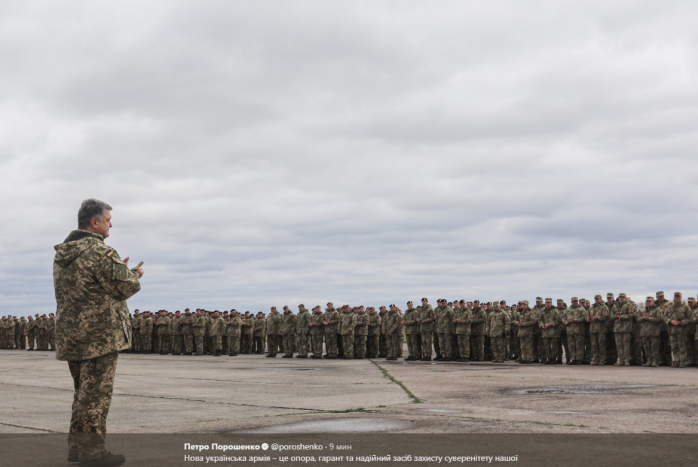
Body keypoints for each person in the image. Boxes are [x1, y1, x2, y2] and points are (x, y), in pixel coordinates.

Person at [53, 198, 143, 466]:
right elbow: (123, 287)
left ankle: (77, 448)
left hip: (73, 335)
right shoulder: (98, 251)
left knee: (82, 394)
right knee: (96, 399)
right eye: (107, 220)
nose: (110, 224)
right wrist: (134, 273)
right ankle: (92, 454)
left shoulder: (65, 253)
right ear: (94, 223)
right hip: (98, 337)